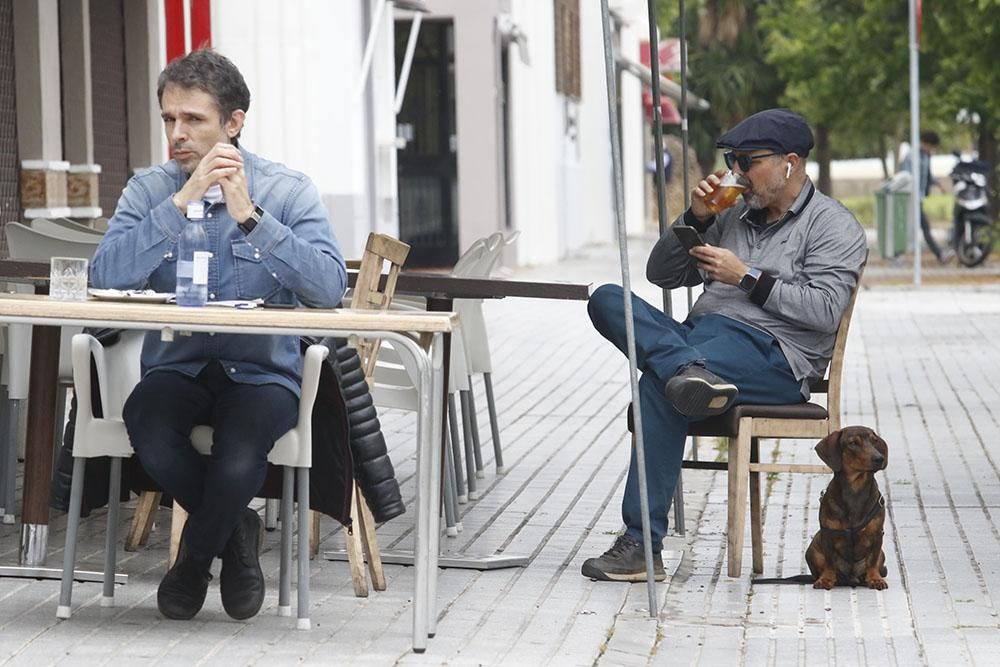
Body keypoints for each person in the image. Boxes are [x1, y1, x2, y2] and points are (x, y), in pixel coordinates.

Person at [90, 49, 347, 620]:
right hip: (176, 366)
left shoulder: (286, 190)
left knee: (238, 459)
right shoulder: (149, 189)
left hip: (260, 371)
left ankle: (191, 563)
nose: (176, 134)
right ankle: (237, 528)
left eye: (193, 120)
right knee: (148, 428)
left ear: (233, 123)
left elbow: (329, 288)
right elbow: (102, 277)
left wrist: (251, 216)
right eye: (168, 120)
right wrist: (179, 204)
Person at [581, 108, 867, 582]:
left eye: (747, 162)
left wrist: (746, 276)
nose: (736, 173)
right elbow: (663, 275)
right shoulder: (732, 213)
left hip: (773, 358)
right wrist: (695, 217)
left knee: (657, 385)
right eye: (732, 161)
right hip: (703, 343)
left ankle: (640, 546)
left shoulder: (833, 226)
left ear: (789, 162)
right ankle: (688, 373)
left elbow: (823, 311)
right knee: (606, 298)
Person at [899, 131, 951, 264]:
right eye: (931, 146)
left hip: (919, 198)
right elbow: (906, 176)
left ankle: (939, 255)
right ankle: (939, 255)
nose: (931, 149)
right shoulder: (911, 155)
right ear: (925, 143)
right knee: (919, 228)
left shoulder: (926, 155)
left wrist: (939, 184)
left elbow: (927, 175)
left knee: (916, 228)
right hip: (911, 198)